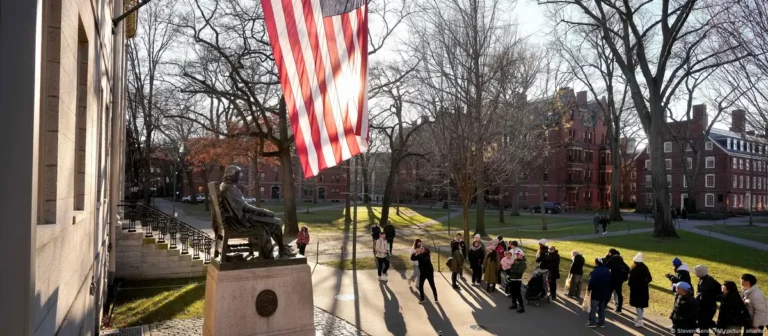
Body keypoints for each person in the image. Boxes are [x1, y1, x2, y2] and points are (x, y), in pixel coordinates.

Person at [219, 165, 296, 257]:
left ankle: (281, 248)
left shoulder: (224, 186)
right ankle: (281, 250)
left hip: (236, 219)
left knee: (272, 221)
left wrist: (262, 212)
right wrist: (264, 211)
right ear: (231, 175)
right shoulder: (230, 188)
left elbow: (242, 206)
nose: (238, 177)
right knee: (277, 222)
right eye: (237, 174)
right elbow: (245, 207)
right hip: (241, 221)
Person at [694, 265, 723, 335]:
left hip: (706, 307)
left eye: (696, 272)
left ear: (700, 272)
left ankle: (716, 330)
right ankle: (716, 329)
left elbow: (703, 296)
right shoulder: (706, 279)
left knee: (704, 325)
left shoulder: (707, 282)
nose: (694, 273)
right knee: (705, 323)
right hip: (707, 306)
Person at [586, 258, 612, 328]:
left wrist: (588, 289)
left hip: (596, 292)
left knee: (593, 307)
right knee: (602, 308)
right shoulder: (607, 271)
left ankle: (592, 322)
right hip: (604, 293)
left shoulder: (595, 271)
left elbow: (591, 282)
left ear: (597, 263)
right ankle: (601, 322)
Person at [628, 252, 653, 328]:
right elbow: (650, 278)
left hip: (636, 289)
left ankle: (640, 320)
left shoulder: (634, 269)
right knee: (641, 304)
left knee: (637, 305)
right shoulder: (645, 267)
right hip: (644, 289)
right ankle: (639, 317)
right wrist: (644, 283)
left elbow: (630, 280)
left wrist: (631, 285)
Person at [604, 248, 629, 313]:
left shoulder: (612, 259)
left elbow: (606, 265)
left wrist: (607, 257)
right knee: (619, 294)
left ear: (610, 253)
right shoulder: (620, 259)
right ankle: (619, 309)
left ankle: (604, 306)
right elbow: (627, 268)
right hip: (619, 280)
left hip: (613, 278)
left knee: (609, 292)